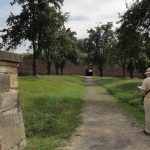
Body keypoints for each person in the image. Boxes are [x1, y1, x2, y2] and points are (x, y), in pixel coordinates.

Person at [141, 68, 150, 135]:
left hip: (148, 100)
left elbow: (143, 92)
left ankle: (148, 130)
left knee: (148, 115)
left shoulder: (145, 80)